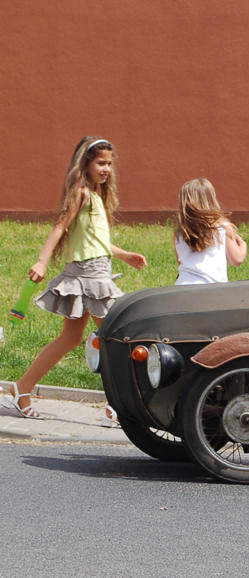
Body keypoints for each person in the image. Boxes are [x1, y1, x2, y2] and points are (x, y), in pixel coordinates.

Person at [2, 137, 147, 420]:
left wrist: (124, 254)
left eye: (109, 164)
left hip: (97, 272)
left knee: (71, 338)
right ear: (86, 164)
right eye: (100, 163)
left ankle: (22, 387)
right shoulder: (81, 193)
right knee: (115, 339)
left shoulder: (98, 196)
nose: (106, 169)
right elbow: (60, 227)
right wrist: (42, 261)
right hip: (87, 276)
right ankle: (118, 404)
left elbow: (96, 241)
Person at [174, 178, 247, 284]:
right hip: (212, 287)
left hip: (183, 285)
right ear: (211, 199)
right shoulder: (222, 227)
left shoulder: (180, 232)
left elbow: (180, 262)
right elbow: (237, 260)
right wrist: (243, 244)